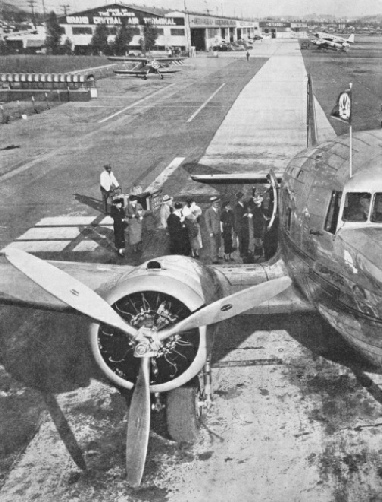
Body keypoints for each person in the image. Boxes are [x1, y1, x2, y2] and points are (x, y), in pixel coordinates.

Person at [205, 196, 222, 263]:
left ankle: (217, 256)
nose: (217, 204)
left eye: (218, 203)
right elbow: (207, 223)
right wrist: (210, 231)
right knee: (213, 244)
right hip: (213, 231)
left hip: (219, 230)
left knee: (218, 244)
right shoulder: (208, 211)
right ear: (212, 203)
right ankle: (214, 259)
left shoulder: (219, 210)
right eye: (215, 203)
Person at [234, 191, 249, 258]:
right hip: (240, 226)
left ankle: (245, 252)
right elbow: (237, 218)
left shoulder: (245, 204)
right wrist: (244, 215)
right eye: (243, 197)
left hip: (245, 225)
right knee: (241, 240)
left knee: (246, 239)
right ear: (239, 198)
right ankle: (242, 253)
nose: (244, 198)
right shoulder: (236, 207)